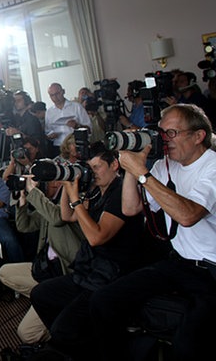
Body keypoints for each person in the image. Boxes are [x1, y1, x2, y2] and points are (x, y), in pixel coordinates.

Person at [92, 104, 216, 360]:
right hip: (180, 262)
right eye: (160, 132)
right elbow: (130, 207)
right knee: (103, 300)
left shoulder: (212, 167)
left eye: (171, 133)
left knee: (188, 346)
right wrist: (131, 167)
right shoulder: (163, 165)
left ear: (198, 136)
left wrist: (142, 173)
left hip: (212, 270)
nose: (164, 140)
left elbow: (188, 215)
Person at [30, 142, 146, 359]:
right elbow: (66, 216)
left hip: (112, 277)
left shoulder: (121, 191)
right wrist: (67, 184)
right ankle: (80, 340)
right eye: (89, 168)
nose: (92, 173)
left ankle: (78, 342)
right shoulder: (99, 192)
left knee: (62, 330)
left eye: (97, 167)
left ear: (114, 165)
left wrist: (76, 199)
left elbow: (96, 237)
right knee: (41, 294)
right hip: (91, 272)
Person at [0, 177, 84, 344]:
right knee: (4, 272)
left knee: (27, 334)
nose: (43, 186)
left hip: (66, 274)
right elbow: (24, 226)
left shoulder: (72, 203)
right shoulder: (47, 206)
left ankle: (67, 323)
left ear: (60, 183)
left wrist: (34, 192)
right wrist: (22, 199)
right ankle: (51, 302)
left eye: (47, 182)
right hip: (46, 270)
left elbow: (58, 218)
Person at [45, 83, 91, 157]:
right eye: (52, 95)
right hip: (58, 146)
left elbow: (89, 129)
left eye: (57, 93)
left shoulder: (76, 107)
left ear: (63, 91)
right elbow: (47, 131)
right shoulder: (49, 112)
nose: (55, 97)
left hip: (75, 145)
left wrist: (77, 126)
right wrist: (51, 135)